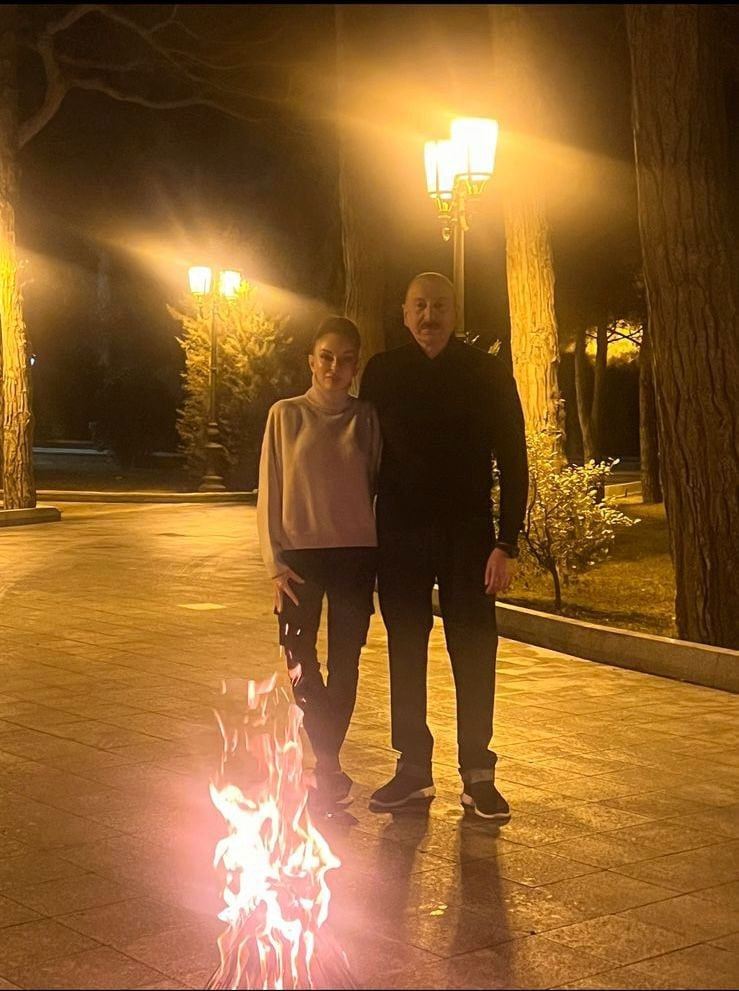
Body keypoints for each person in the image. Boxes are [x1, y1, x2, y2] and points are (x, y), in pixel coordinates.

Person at [359, 272, 528, 822]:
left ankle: (479, 773)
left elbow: (515, 459)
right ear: (404, 313)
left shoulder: (486, 372)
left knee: (475, 652)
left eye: (439, 306)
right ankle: (413, 768)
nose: (429, 316)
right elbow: (360, 456)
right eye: (419, 306)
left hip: (469, 538)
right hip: (399, 537)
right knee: (405, 650)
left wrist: (507, 542)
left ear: (455, 313)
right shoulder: (382, 373)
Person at [257, 315, 381, 807]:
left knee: (345, 660)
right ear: (311, 360)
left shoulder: (366, 419)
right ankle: (328, 759)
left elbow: (376, 485)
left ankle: (327, 762)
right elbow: (270, 489)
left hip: (355, 556)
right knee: (298, 656)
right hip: (299, 560)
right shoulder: (285, 415)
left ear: (355, 366)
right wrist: (273, 561)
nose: (334, 367)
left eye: (345, 359)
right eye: (326, 357)